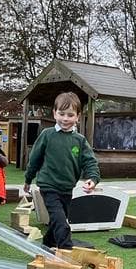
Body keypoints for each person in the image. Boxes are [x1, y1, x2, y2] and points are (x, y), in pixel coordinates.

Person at [22, 91, 100, 249]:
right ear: (54, 113)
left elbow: (90, 162)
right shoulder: (47, 135)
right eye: (61, 114)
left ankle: (47, 244)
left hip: (66, 187)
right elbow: (34, 159)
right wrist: (28, 180)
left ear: (78, 116)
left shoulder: (79, 140)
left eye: (70, 115)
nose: (65, 118)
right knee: (61, 222)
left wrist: (92, 178)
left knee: (57, 219)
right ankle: (66, 249)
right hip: (48, 186)